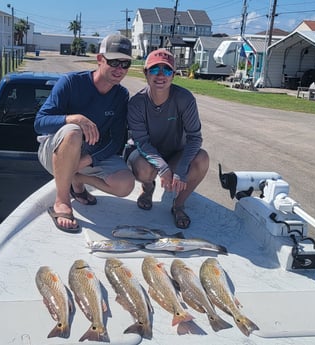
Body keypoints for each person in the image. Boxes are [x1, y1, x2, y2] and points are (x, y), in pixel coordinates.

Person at [34, 34, 135, 232]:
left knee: (126, 185)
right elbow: (39, 123)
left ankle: (77, 180)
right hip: (55, 154)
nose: (119, 69)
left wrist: (86, 161)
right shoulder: (71, 82)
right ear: (99, 59)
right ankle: (62, 201)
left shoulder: (121, 95)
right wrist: (73, 118)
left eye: (125, 64)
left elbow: (116, 140)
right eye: (114, 61)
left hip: (88, 156)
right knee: (73, 131)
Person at [127, 48, 209, 229]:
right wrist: (163, 168)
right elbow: (141, 141)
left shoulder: (185, 99)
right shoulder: (136, 103)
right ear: (146, 73)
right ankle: (148, 189)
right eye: (155, 69)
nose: (160, 75)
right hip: (145, 154)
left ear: (173, 75)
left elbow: (195, 138)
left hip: (175, 153)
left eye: (167, 70)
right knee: (143, 169)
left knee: (202, 159)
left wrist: (179, 170)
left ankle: (178, 204)